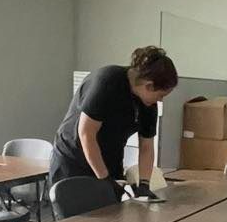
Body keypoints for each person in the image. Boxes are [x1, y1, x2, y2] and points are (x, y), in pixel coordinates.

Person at [49, 46, 178, 198]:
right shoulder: (108, 81)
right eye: (161, 94)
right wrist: (104, 178)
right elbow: (86, 134)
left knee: (112, 218)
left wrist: (143, 184)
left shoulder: (148, 105)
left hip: (109, 162)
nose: (161, 100)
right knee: (78, 219)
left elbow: (147, 146)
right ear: (148, 86)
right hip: (74, 162)